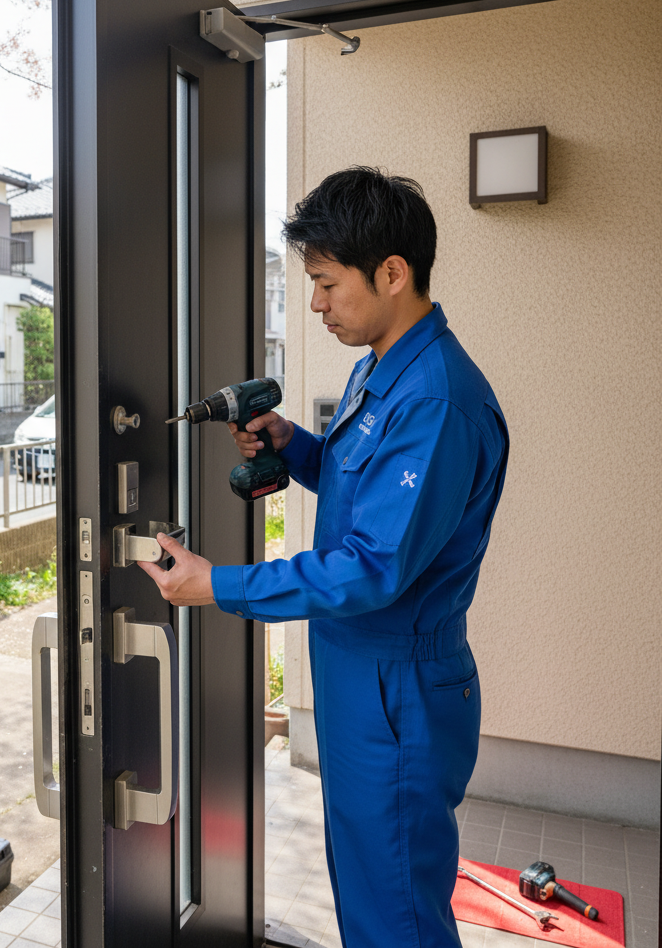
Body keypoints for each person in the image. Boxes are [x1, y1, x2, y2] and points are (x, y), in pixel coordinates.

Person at [139, 167, 509, 948]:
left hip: (395, 687)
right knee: (368, 894)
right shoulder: (381, 365)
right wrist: (295, 447)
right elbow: (365, 489)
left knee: (397, 916)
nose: (315, 303)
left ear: (393, 273)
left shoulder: (436, 399)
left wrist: (218, 585)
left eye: (326, 283)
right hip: (358, 676)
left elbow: (373, 565)